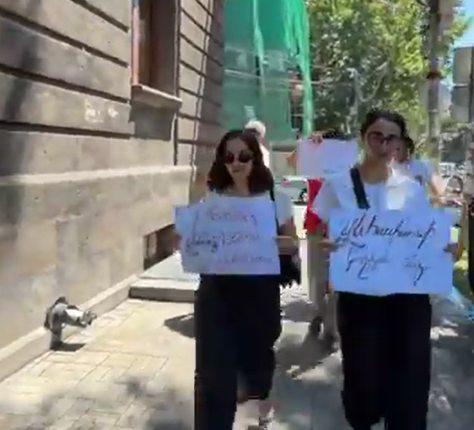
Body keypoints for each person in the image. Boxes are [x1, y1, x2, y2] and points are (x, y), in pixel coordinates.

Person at [313, 109, 462, 430]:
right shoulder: (337, 185)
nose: (383, 145)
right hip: (359, 299)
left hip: (408, 301)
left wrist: (444, 251)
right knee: (362, 386)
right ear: (363, 137)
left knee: (410, 384)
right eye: (376, 136)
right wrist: (327, 247)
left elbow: (421, 239)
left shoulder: (411, 189)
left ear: (399, 142)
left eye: (391, 138)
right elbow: (320, 233)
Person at [194, 129, 298, 430]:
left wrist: (281, 244)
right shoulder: (212, 198)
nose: (235, 163)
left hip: (259, 295)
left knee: (256, 367)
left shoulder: (276, 199)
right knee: (213, 373)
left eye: (243, 156)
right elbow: (198, 241)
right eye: (228, 157)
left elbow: (292, 243)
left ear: (255, 157)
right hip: (217, 293)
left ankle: (259, 408)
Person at [287, 131, 339, 349]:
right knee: (317, 278)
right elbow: (292, 161)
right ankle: (319, 312)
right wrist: (308, 145)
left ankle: (331, 331)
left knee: (336, 282)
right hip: (316, 227)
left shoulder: (348, 170)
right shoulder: (314, 167)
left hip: (339, 228)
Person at [392, 135, 442, 202]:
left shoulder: (421, 167)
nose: (394, 152)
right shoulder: (389, 169)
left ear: (408, 150)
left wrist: (435, 200)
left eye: (398, 149)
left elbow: (434, 191)